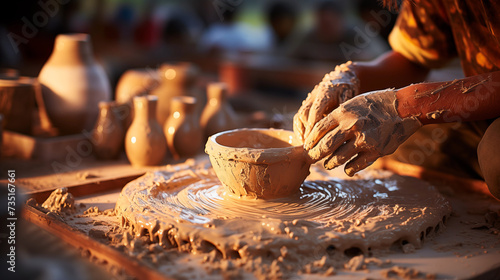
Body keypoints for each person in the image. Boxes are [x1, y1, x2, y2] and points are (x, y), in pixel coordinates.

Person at [293, 0, 500, 199]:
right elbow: (411, 60)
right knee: (377, 139)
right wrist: (349, 76)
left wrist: (406, 106)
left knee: (495, 157)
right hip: (480, 108)